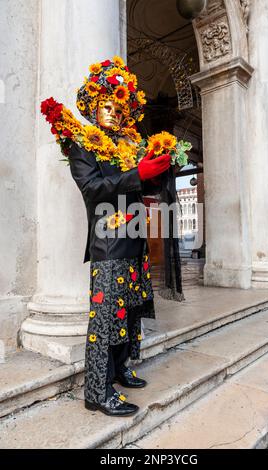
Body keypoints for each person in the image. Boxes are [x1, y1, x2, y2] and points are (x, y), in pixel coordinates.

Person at [66, 57, 171, 416]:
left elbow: (143, 186)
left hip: (135, 238)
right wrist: (137, 173)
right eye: (106, 105)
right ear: (94, 108)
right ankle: (97, 390)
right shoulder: (83, 145)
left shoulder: (129, 145)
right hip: (108, 243)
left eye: (120, 107)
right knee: (106, 316)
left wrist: (157, 168)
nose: (113, 112)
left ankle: (122, 366)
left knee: (130, 312)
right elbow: (93, 189)